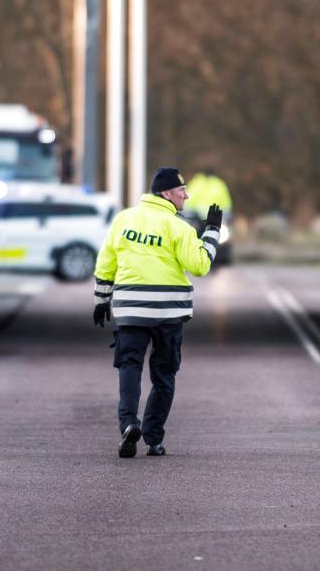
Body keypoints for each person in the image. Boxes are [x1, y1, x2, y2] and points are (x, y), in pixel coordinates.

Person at [93, 167, 223, 458]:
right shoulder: (179, 227)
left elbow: (106, 262)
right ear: (167, 193)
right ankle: (153, 439)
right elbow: (201, 265)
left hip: (131, 310)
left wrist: (101, 300)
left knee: (129, 367)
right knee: (164, 375)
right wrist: (212, 231)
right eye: (181, 191)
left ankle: (128, 424)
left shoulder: (124, 219)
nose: (186, 195)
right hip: (168, 313)